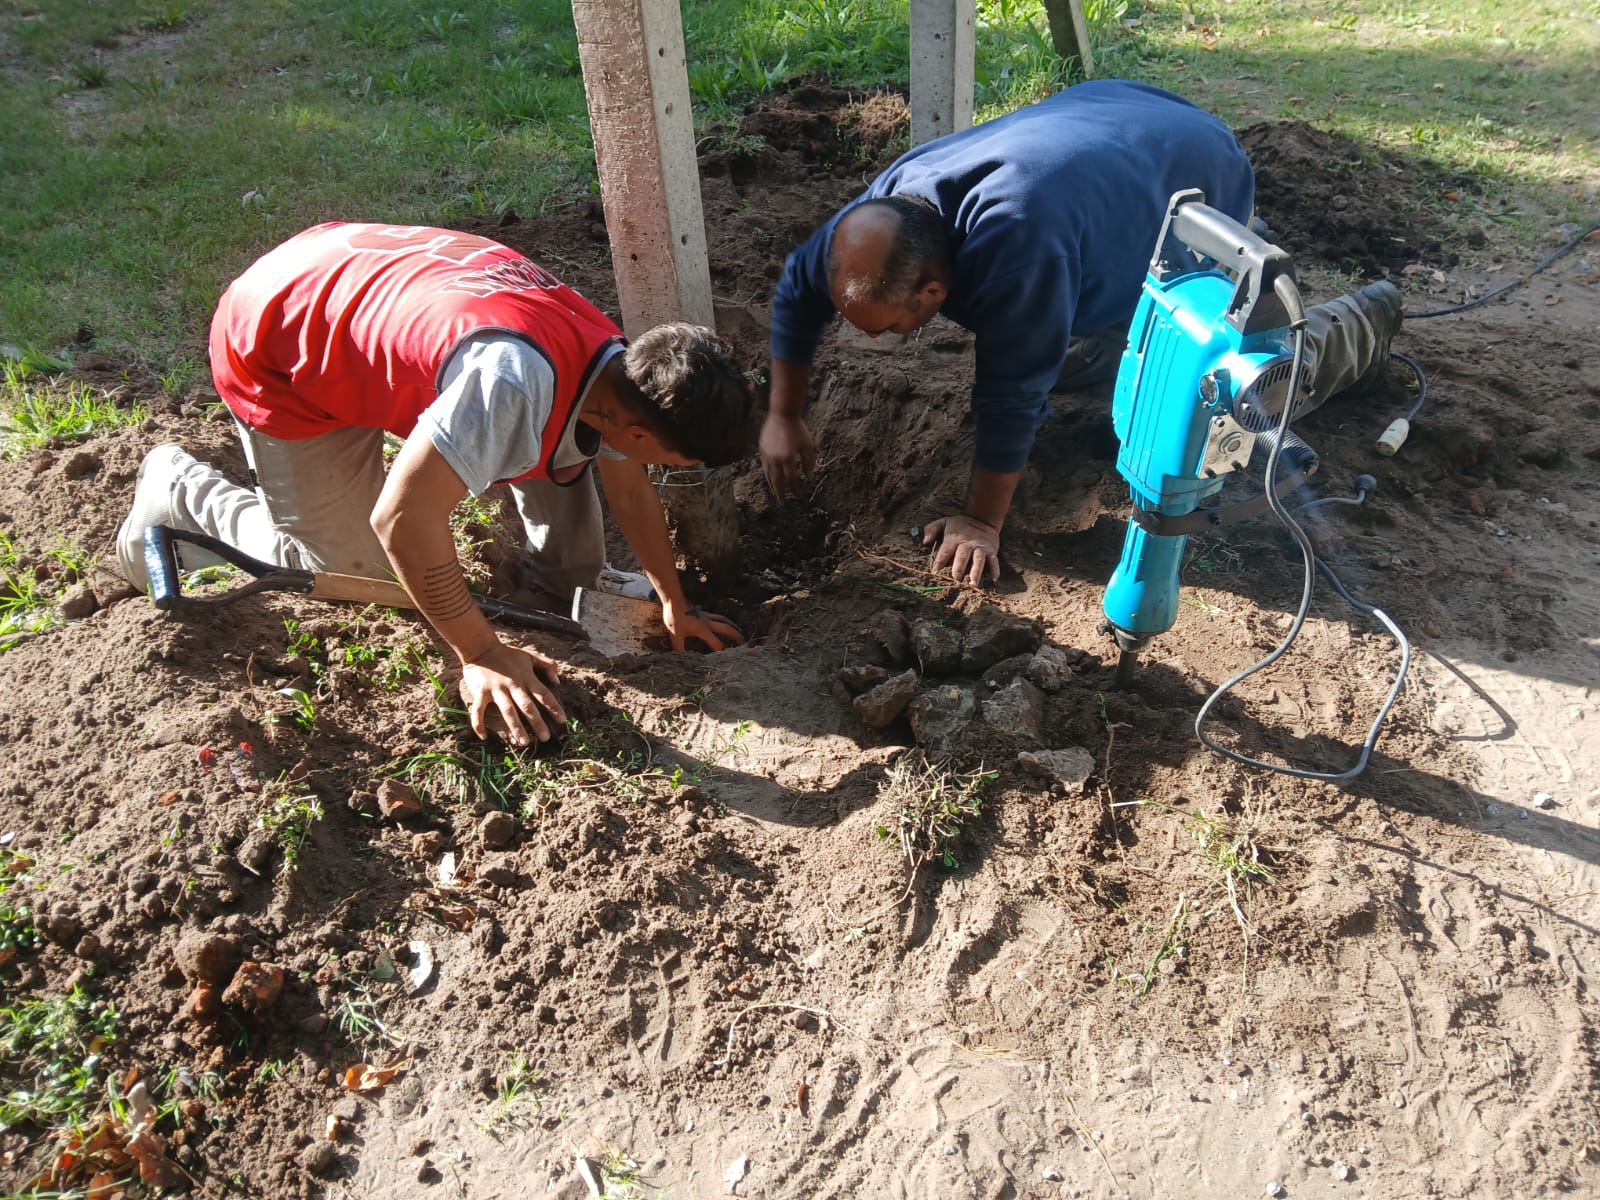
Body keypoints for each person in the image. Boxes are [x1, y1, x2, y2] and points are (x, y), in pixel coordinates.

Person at [116, 221, 756, 746]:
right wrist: (478, 651)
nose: (662, 470)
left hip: (351, 282)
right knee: (352, 567)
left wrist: (672, 598)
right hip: (283, 339)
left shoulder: (620, 375)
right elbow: (401, 520)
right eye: (677, 462)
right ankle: (178, 487)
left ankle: (570, 578)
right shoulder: (511, 384)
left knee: (554, 453)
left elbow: (628, 484)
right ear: (644, 433)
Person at [761, 78, 1403, 585]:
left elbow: (1011, 396)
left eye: (889, 327)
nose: (873, 339)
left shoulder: (1017, 250)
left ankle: (1357, 328)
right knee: (1065, 351)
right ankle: (1129, 305)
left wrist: (983, 520)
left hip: (1193, 167)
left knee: (1207, 384)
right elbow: (798, 287)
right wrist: (783, 416)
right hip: (1115, 121)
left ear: (934, 290)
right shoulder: (879, 218)